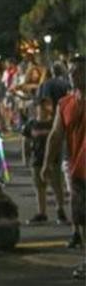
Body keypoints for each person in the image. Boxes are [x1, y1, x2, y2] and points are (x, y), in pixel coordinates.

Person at [43, 55, 86, 260]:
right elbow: (55, 135)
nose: (73, 75)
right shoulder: (65, 103)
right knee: (81, 215)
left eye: (78, 71)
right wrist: (47, 163)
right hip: (77, 168)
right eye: (71, 72)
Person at [22, 98, 65, 224]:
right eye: (42, 106)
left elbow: (59, 140)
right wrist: (25, 157)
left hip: (53, 160)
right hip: (37, 159)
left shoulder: (54, 123)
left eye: (47, 106)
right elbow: (25, 141)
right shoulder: (31, 124)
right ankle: (42, 212)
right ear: (37, 108)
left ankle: (60, 211)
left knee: (57, 186)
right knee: (39, 187)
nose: (45, 109)